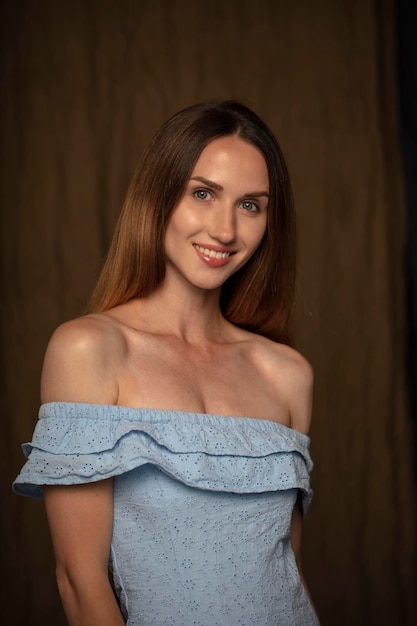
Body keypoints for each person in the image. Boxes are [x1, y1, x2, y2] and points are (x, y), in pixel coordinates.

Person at [14, 100, 319, 625]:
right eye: (203, 194)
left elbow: (286, 573)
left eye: (251, 205)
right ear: (158, 196)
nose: (225, 230)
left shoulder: (287, 374)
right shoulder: (89, 351)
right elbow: (80, 581)